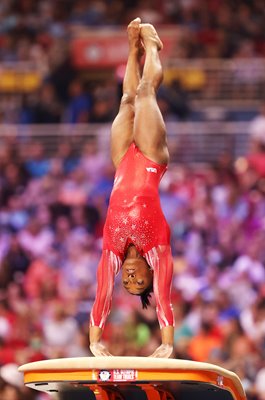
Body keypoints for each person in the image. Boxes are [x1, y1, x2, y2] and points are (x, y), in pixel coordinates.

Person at [89, 18, 174, 358]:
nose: (130, 279)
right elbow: (164, 299)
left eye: (128, 283)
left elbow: (101, 296)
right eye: (139, 282)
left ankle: (131, 49)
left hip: (123, 162)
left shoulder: (111, 252)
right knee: (145, 93)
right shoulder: (158, 250)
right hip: (152, 159)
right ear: (150, 273)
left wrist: (94, 341)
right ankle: (153, 47)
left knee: (126, 99)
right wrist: (167, 344)